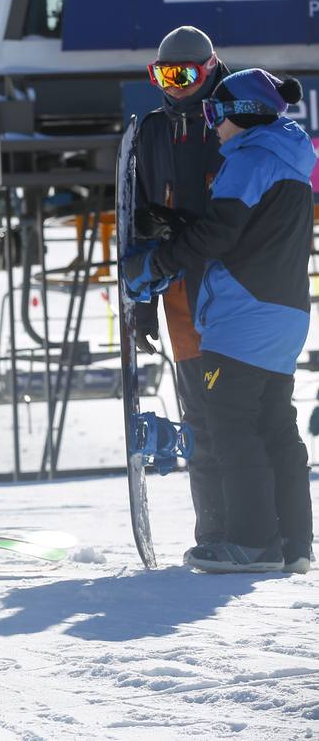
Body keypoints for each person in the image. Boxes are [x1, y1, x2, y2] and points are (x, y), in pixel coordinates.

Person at [123, 69, 313, 573]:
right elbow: (245, 229)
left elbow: (220, 236)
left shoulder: (249, 160)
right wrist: (182, 228)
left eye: (215, 113)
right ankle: (294, 542)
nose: (212, 125)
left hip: (243, 316)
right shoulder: (287, 157)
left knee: (232, 427)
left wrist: (156, 263)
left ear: (242, 113)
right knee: (275, 425)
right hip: (285, 312)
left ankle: (252, 542)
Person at [134, 25, 228, 553]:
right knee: (200, 418)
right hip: (181, 299)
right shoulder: (152, 133)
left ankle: (256, 527)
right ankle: (213, 530)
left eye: (185, 75)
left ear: (209, 68)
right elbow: (137, 218)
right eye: (164, 75)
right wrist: (142, 302)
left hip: (234, 297)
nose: (174, 86)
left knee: (236, 415)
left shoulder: (235, 119)